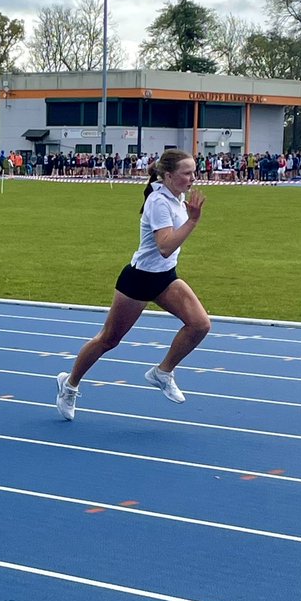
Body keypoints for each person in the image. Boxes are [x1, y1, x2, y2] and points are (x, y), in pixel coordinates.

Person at [55, 148, 210, 421]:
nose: (193, 178)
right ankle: (69, 385)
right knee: (109, 339)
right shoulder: (158, 202)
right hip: (139, 279)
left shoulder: (177, 196)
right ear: (169, 175)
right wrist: (193, 221)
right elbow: (164, 247)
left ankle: (162, 372)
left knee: (200, 324)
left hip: (165, 277)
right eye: (187, 173)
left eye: (193, 172)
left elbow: (166, 256)